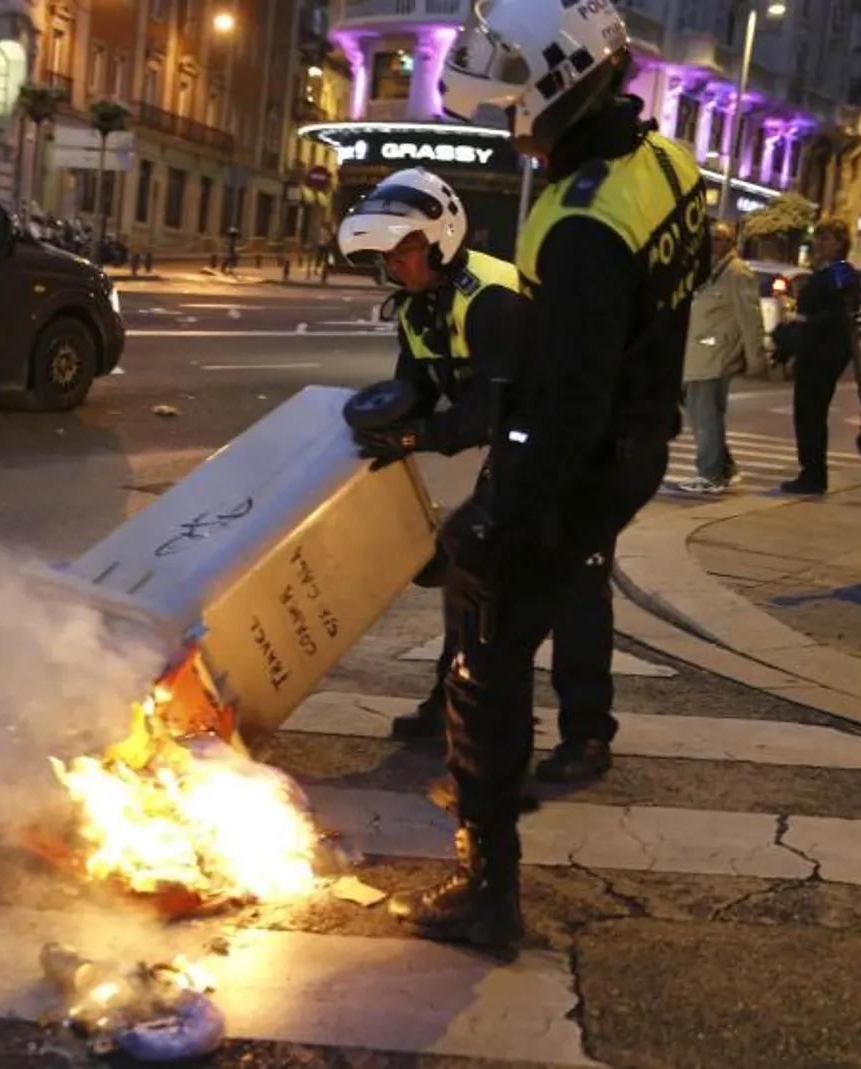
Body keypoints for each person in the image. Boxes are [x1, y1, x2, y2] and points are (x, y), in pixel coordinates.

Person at [371, 0, 708, 953]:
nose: (511, 135)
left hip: (589, 455)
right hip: (638, 439)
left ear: (555, 91)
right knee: (534, 603)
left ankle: (489, 882)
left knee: (490, 642)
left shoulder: (582, 225)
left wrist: (499, 518)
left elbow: (568, 404)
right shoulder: (664, 164)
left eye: (513, 111)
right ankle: (504, 775)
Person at [340, 169, 620, 787]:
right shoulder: (418, 306)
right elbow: (412, 388)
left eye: (404, 250)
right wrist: (375, 421)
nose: (394, 265)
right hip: (527, 451)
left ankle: (589, 735)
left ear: (440, 238)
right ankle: (452, 702)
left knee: (575, 592)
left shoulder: (490, 298)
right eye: (384, 255)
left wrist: (419, 437)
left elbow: (496, 412)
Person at [674, 222, 767, 495]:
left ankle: (711, 474)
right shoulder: (709, 270)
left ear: (731, 242)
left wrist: (755, 359)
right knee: (702, 416)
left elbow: (750, 319)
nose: (712, 243)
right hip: (698, 356)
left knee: (705, 419)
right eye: (709, 238)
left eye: (718, 239)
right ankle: (724, 468)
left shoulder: (737, 273)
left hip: (714, 356)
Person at [780, 220, 861, 495]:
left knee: (811, 412)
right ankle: (811, 471)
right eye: (819, 239)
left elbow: (842, 313)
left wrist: (805, 319)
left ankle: (813, 474)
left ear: (840, 243)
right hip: (815, 349)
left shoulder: (841, 274)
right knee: (806, 413)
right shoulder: (824, 272)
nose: (820, 244)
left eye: (826, 239)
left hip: (825, 352)